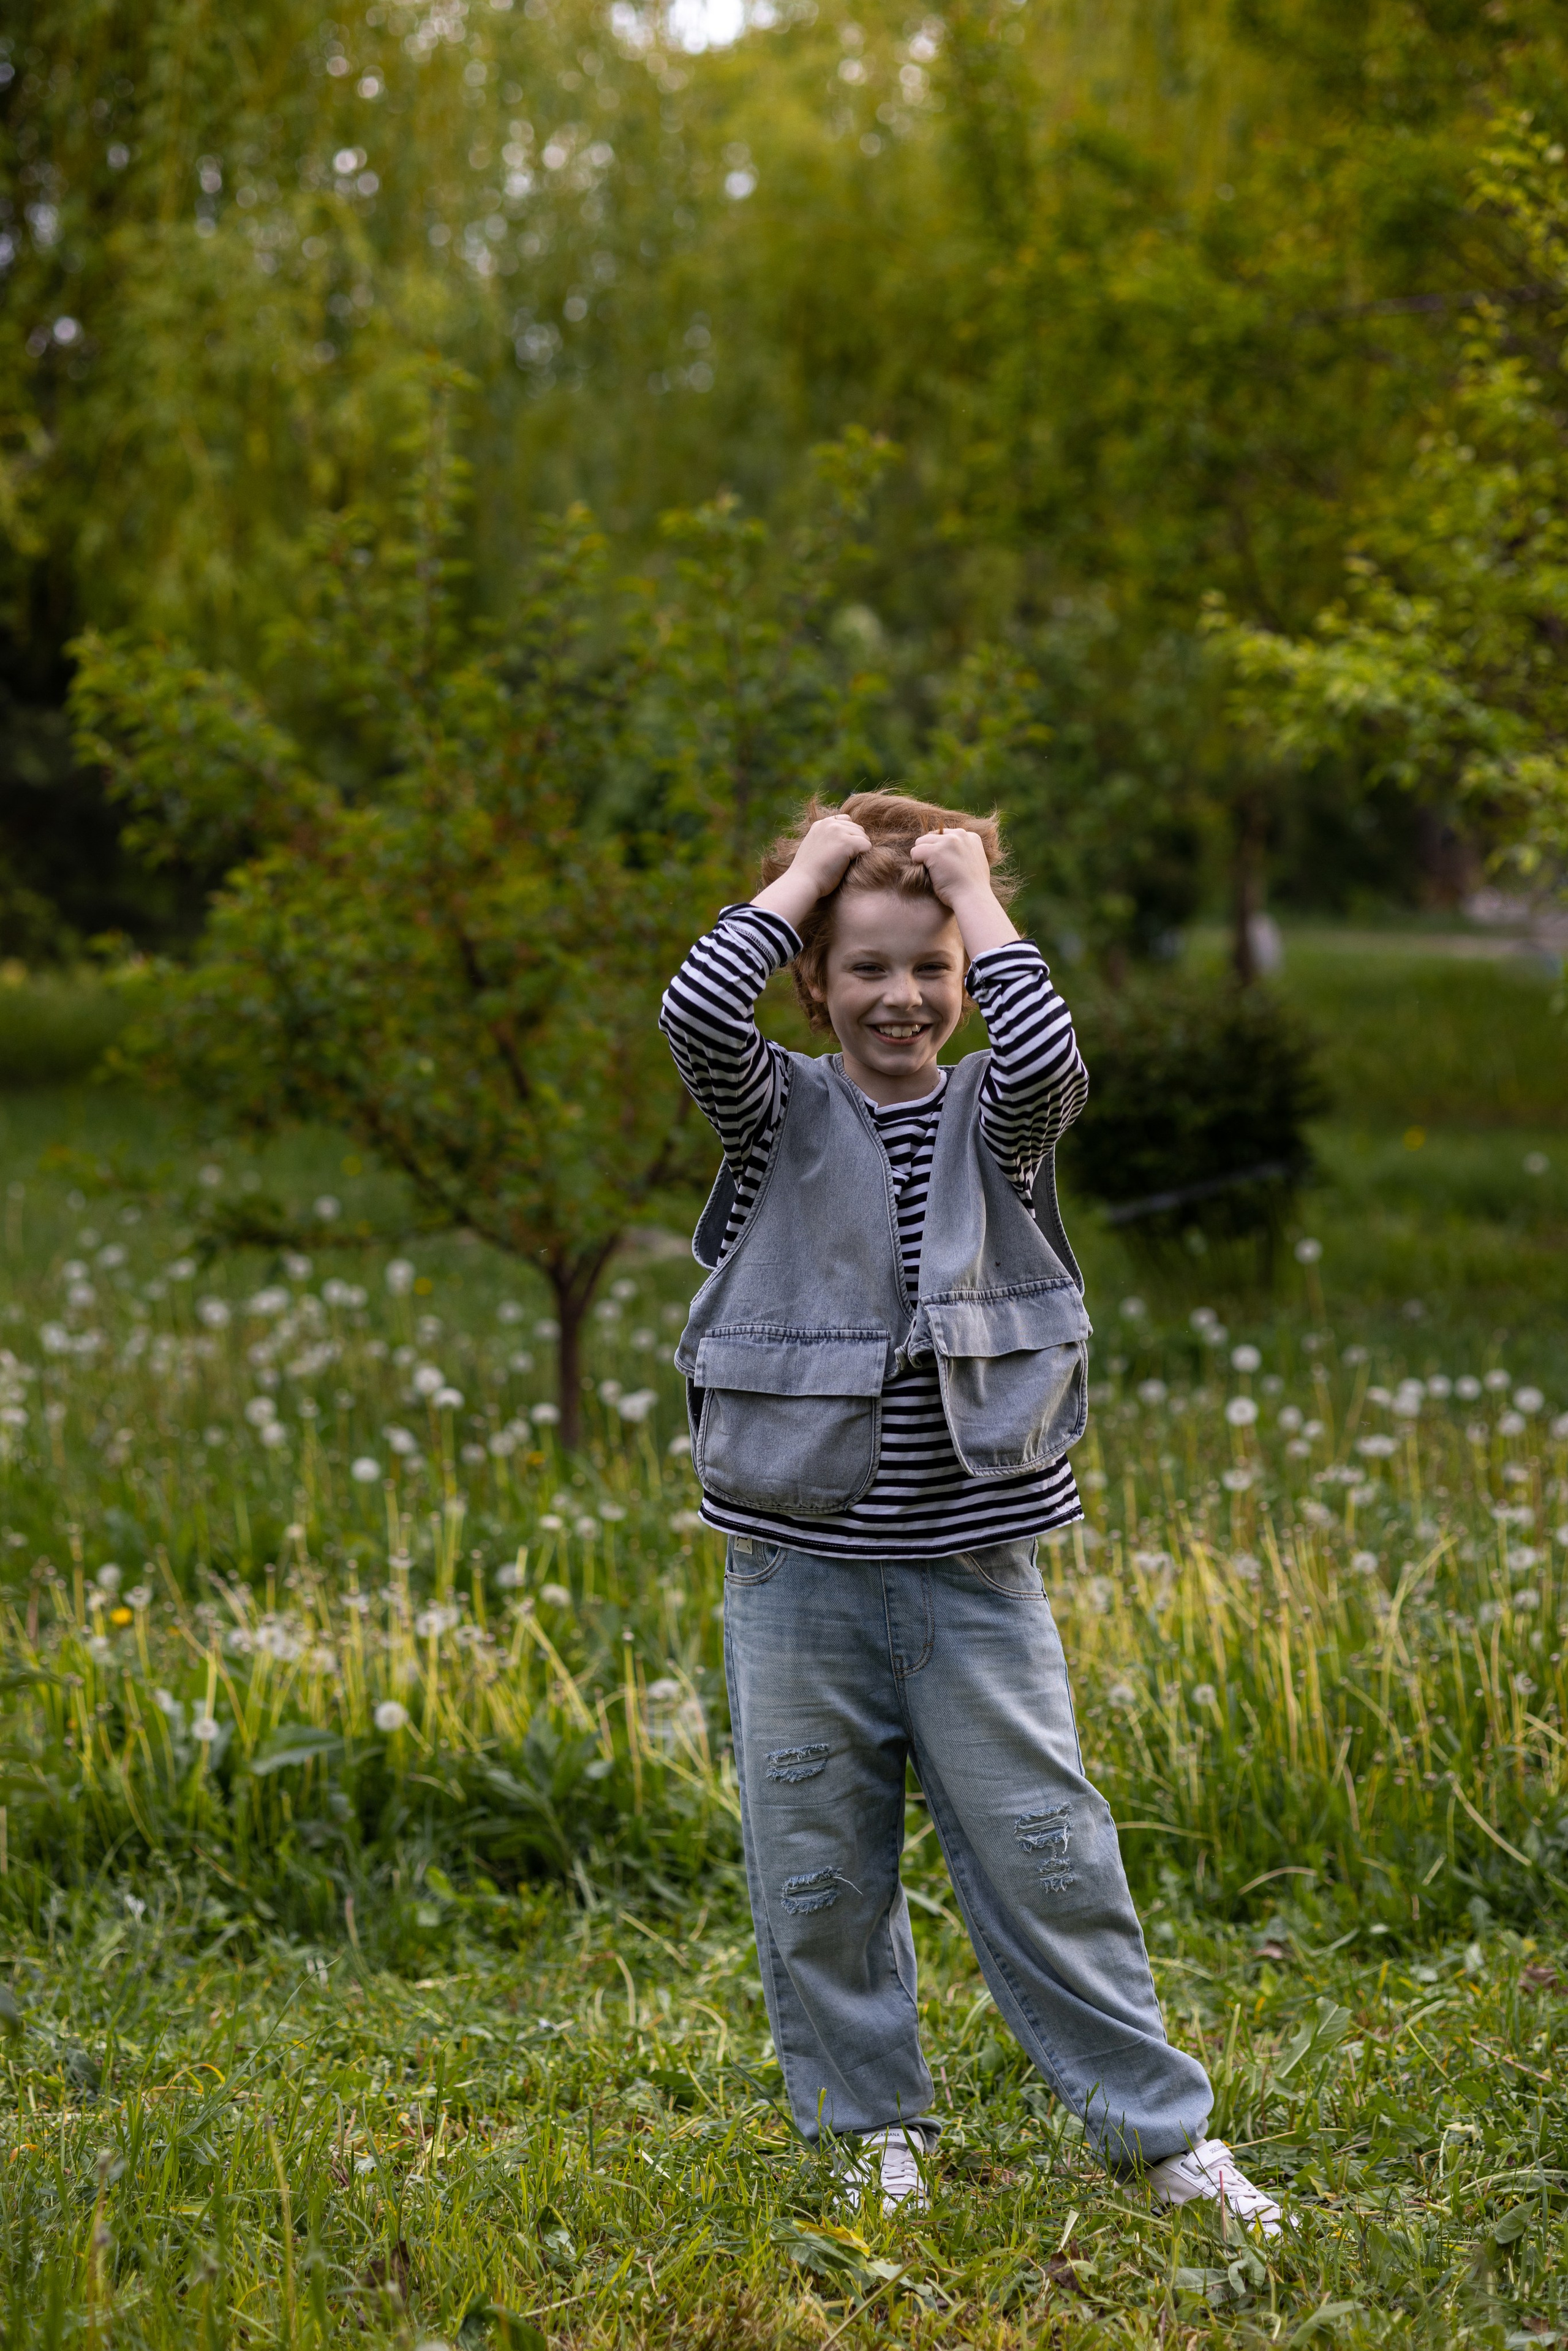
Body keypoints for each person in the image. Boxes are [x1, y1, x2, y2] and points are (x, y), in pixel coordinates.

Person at [660, 790, 1283, 2235]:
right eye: (865, 964)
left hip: (971, 1572)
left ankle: (1157, 2134)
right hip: (795, 1575)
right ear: (812, 980)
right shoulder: (774, 1111)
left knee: (1049, 1854)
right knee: (818, 1870)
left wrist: (972, 888)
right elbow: (695, 1017)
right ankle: (869, 2124)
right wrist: (811, 869)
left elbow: (1047, 1052)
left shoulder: (994, 1123)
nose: (902, 994)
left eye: (930, 966)